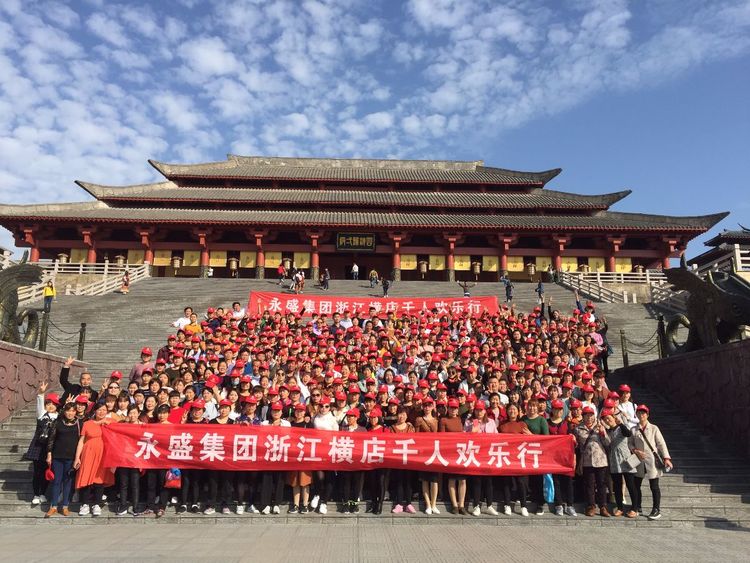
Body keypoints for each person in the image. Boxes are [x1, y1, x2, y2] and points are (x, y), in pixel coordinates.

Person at [630, 405, 672, 520]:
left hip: (652, 460)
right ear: (636, 415)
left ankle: (656, 509)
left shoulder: (654, 428)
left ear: (647, 415)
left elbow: (661, 443)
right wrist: (635, 450)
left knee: (654, 486)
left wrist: (666, 458)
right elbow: (630, 443)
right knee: (636, 484)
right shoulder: (633, 429)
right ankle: (637, 506)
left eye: (643, 413)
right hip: (638, 461)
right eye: (639, 413)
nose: (641, 415)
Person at [74, 402, 115, 516]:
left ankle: (97, 504)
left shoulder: (111, 422)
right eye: (99, 410)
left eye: (104, 410)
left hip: (103, 454)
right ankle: (85, 504)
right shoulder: (87, 423)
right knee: (86, 478)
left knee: (99, 479)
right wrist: (77, 457)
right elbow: (81, 441)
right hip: (88, 454)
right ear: (95, 411)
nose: (101, 412)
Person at [45, 402, 81, 517]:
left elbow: (81, 441)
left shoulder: (80, 423)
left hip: (71, 458)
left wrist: (78, 458)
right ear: (64, 411)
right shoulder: (58, 422)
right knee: (56, 481)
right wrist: (49, 454)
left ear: (75, 412)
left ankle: (65, 506)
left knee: (68, 482)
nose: (70, 413)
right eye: (68, 410)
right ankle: (53, 506)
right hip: (57, 456)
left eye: (72, 411)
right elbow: (51, 439)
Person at [25, 381, 59, 506]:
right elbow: (39, 402)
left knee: (47, 471)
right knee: (37, 472)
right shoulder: (42, 415)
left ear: (57, 406)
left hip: (51, 448)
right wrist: (41, 393)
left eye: (53, 404)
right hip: (38, 446)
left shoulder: (59, 417)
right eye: (48, 403)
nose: (50, 406)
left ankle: (43, 493)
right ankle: (36, 494)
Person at [601, 409, 638, 518]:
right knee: (616, 486)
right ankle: (620, 507)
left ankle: (634, 508)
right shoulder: (608, 431)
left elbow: (628, 433)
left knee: (631, 484)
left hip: (625, 459)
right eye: (605, 419)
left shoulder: (620, 427)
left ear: (613, 417)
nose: (608, 420)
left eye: (609, 418)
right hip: (614, 460)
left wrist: (620, 423)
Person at [574, 406, 611, 517]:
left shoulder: (600, 426)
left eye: (591, 415)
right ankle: (591, 506)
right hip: (587, 460)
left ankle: (603, 507)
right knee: (589, 484)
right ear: (583, 416)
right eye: (586, 415)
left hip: (601, 460)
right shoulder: (578, 428)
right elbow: (575, 444)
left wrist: (602, 433)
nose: (589, 417)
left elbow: (608, 443)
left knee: (601, 484)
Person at [464, 401, 498, 516]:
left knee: (488, 481)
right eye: (477, 410)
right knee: (477, 481)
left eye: (481, 410)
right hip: (476, 455)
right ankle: (476, 505)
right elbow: (463, 437)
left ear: (485, 411)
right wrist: (472, 431)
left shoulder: (491, 422)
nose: (479, 412)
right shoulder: (469, 421)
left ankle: (489, 505)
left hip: (488, 454)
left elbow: (496, 437)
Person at [439, 398, 467, 514]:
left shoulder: (462, 420)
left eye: (455, 408)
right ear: (448, 409)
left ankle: (462, 505)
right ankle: (454, 504)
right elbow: (442, 437)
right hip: (450, 453)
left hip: (461, 453)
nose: (453, 410)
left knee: (462, 480)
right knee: (452, 479)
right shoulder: (443, 420)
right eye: (451, 408)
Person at [389, 406, 416, 514]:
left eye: (404, 414)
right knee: (399, 481)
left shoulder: (410, 427)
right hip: (397, 459)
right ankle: (399, 503)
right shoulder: (392, 428)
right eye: (400, 414)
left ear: (407, 416)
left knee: (408, 481)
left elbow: (415, 441)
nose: (401, 416)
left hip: (408, 458)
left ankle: (409, 503)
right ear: (397, 415)